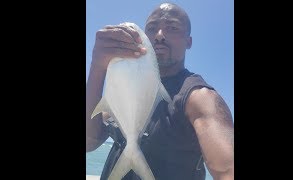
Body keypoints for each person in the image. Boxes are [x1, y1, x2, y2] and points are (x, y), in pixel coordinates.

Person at [86, 2, 234, 180]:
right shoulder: (126, 91)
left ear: (189, 42)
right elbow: (89, 142)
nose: (159, 36)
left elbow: (227, 169)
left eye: (172, 28)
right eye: (152, 28)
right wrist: (97, 65)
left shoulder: (197, 97)